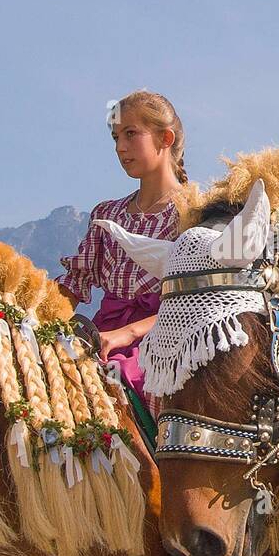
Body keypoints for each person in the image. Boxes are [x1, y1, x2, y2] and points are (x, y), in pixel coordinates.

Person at [55, 90, 187, 421]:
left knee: (121, 384)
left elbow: (194, 300)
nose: (120, 147)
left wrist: (127, 334)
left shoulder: (193, 213)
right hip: (102, 335)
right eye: (115, 137)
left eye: (131, 134)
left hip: (164, 337)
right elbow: (73, 283)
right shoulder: (108, 214)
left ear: (165, 138)